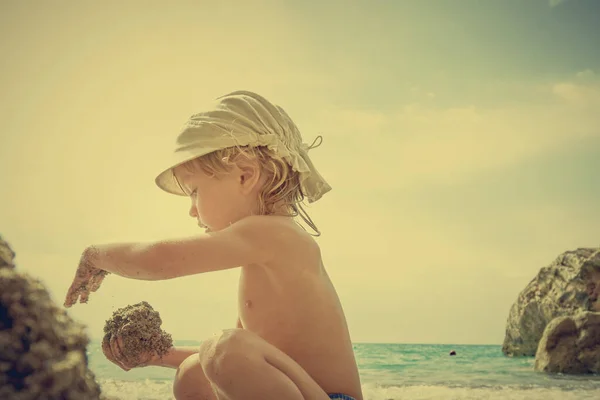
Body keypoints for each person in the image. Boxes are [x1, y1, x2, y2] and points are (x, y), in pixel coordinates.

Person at [63, 91, 363, 400]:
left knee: (223, 349)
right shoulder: (262, 254)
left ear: (245, 175)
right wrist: (158, 357)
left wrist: (95, 256)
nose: (192, 209)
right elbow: (244, 362)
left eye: (194, 191)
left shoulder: (276, 234)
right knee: (194, 370)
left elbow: (163, 259)